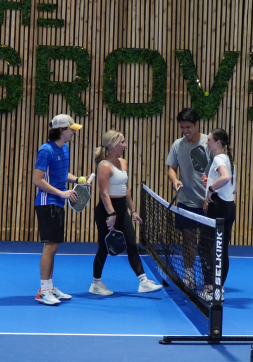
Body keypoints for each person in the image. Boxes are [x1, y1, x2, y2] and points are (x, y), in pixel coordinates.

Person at [89, 130, 163, 296]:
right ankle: (96, 284)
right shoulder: (104, 166)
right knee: (103, 248)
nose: (125, 145)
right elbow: (104, 193)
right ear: (113, 144)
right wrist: (112, 214)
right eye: (122, 142)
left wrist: (133, 210)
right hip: (106, 212)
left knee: (131, 244)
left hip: (122, 210)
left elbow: (126, 189)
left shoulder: (124, 163)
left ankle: (143, 282)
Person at [32, 114, 87, 306]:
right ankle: (43, 290)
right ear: (62, 130)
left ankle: (49, 286)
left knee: (53, 246)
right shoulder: (45, 150)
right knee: (50, 246)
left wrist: (78, 179)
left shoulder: (65, 148)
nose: (74, 132)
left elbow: (62, 174)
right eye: (71, 129)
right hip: (48, 202)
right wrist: (61, 193)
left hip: (58, 203)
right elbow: (37, 180)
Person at [166, 108, 213, 290]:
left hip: (208, 203)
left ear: (197, 124)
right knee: (188, 241)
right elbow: (171, 167)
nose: (185, 131)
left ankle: (212, 282)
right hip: (186, 201)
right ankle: (189, 276)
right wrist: (174, 179)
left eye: (188, 127)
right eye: (182, 127)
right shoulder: (178, 144)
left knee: (209, 245)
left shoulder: (208, 143)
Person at [200, 128, 237, 301]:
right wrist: (211, 183)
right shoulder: (230, 159)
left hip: (219, 208)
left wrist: (211, 189)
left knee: (204, 247)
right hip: (230, 207)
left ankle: (209, 289)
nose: (206, 142)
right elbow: (234, 188)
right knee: (222, 250)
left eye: (209, 140)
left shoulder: (218, 159)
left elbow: (226, 177)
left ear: (218, 143)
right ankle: (218, 289)